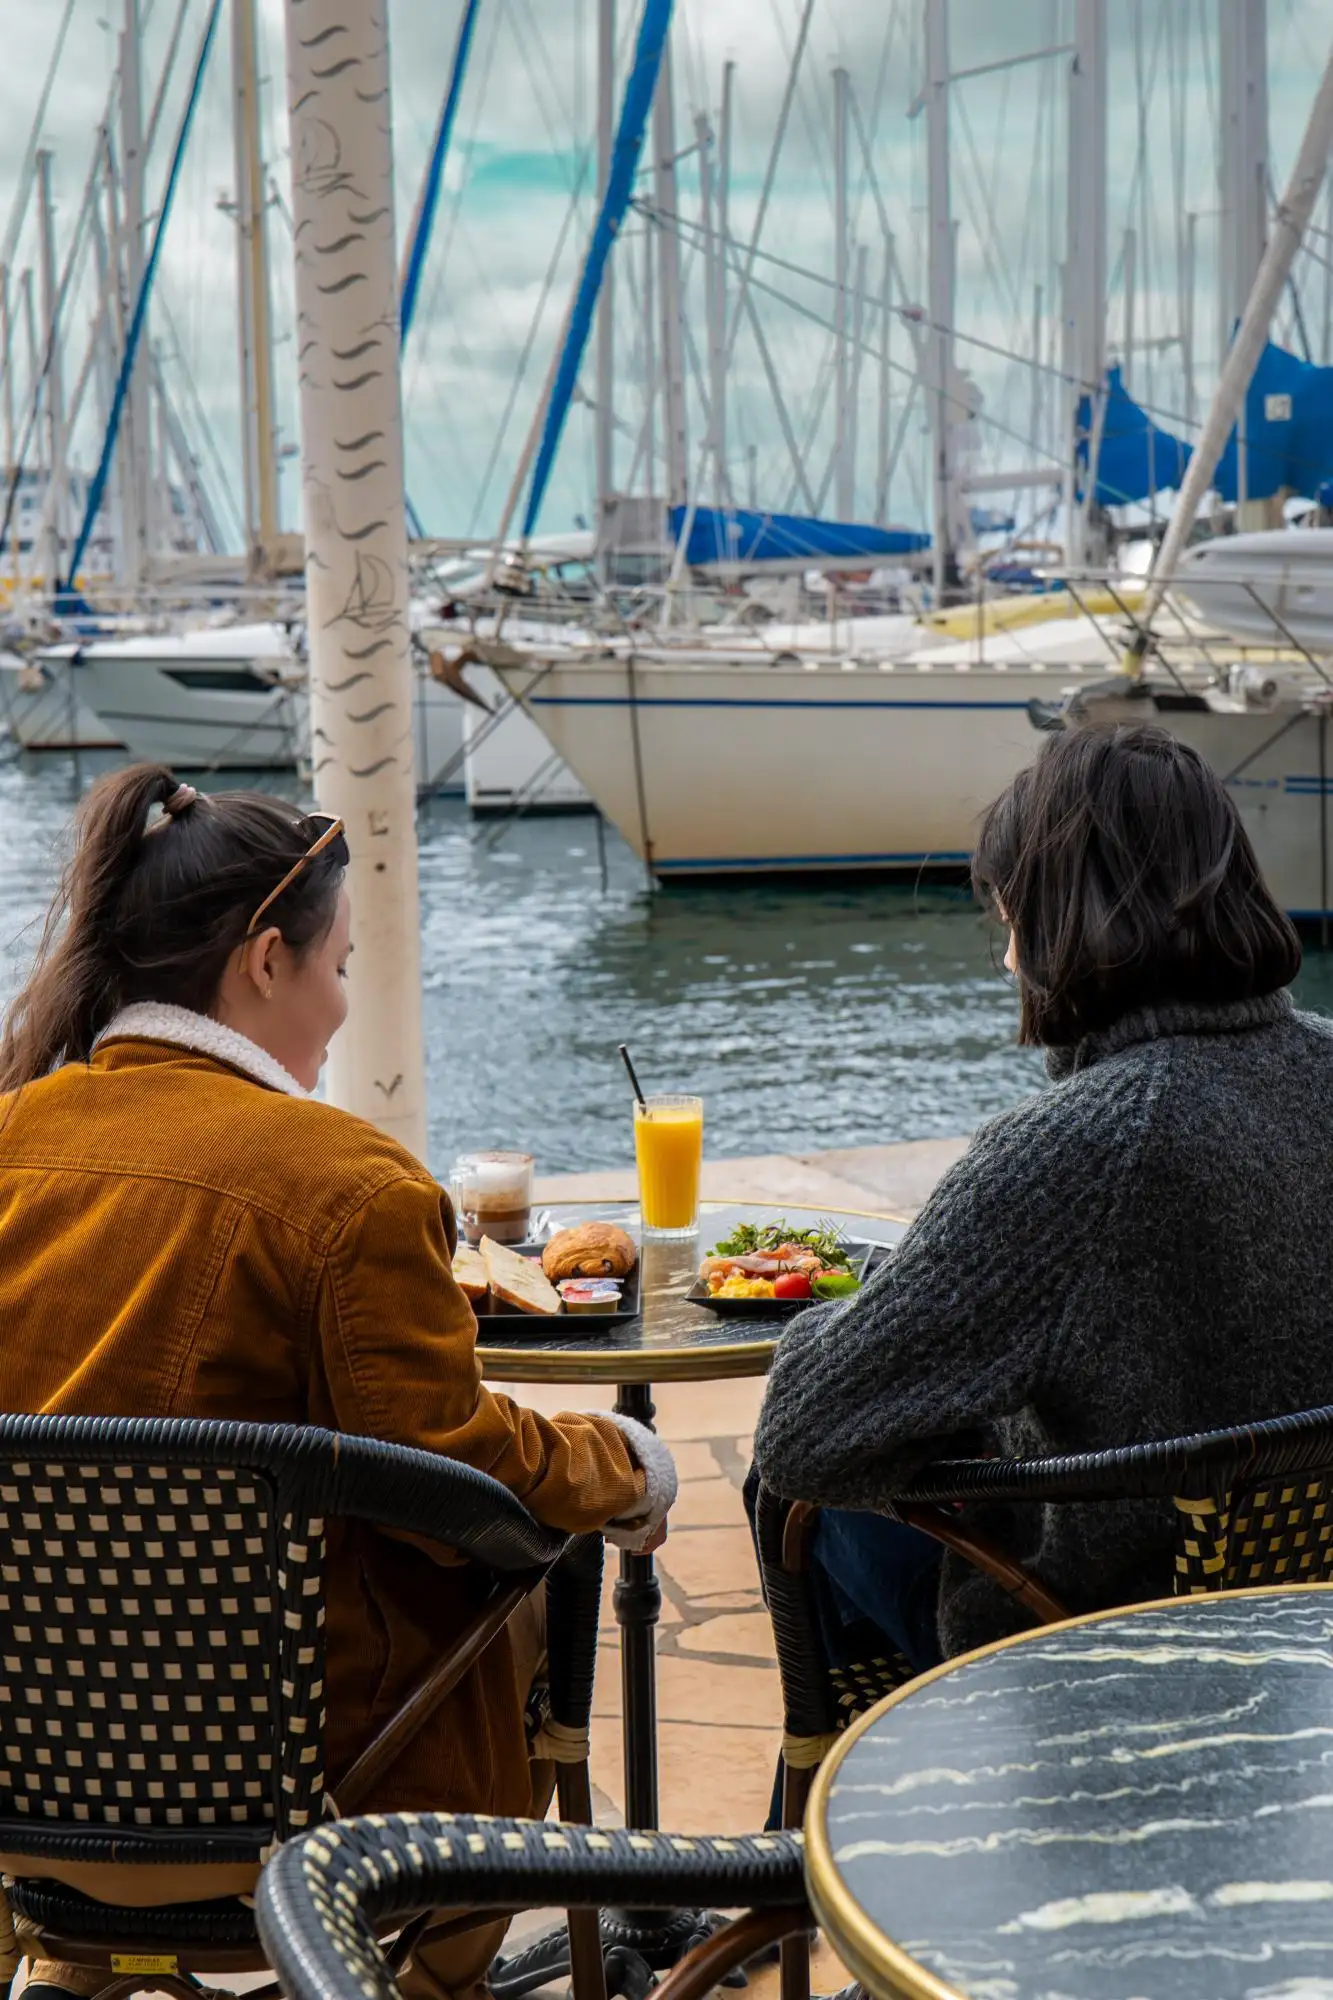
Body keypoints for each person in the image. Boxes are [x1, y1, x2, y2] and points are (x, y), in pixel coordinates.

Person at [0, 764, 676, 2000]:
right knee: (524, 1575)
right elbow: (453, 1463)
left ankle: (79, 1958)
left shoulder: (11, 1135)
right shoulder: (345, 1181)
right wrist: (622, 1467)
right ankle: (425, 1976)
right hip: (309, 1805)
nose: (343, 1005)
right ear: (265, 961)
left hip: (27, 1786)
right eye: (341, 967)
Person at [754, 721, 1333, 1685]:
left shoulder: (1074, 1149)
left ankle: (820, 1818)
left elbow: (804, 1434)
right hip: (1306, 1621)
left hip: (1101, 1640)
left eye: (1007, 918)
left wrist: (852, 1316)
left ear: (1051, 921)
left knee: (793, 1502)